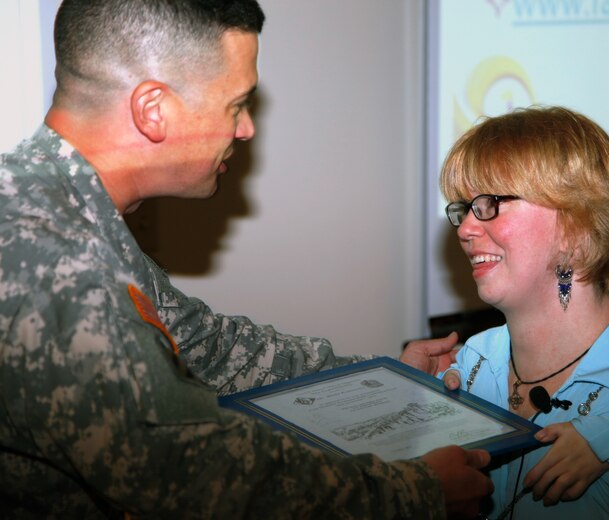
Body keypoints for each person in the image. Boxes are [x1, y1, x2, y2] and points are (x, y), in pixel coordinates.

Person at [0, 1, 493, 518]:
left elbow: (208, 348)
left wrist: (383, 380)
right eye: (236, 105)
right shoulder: (54, 257)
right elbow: (192, 474)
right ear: (154, 110)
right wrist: (415, 494)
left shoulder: (63, 213)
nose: (245, 129)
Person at [438, 106, 609, 519]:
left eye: (490, 203)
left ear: (577, 229)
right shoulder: (474, 358)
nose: (464, 229)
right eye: (463, 208)